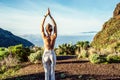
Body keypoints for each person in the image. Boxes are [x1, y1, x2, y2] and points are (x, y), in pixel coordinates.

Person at [40, 8, 57, 80]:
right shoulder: (54, 35)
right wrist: (50, 16)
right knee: (52, 71)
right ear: (52, 29)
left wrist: (45, 16)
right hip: (51, 53)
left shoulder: (44, 36)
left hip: (46, 53)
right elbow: (55, 25)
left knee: (46, 72)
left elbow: (41, 25)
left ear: (46, 30)